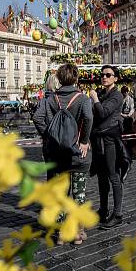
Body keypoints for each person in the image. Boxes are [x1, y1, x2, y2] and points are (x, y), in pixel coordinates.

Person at [33, 64, 93, 245]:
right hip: (77, 155)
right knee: (79, 195)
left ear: (59, 78)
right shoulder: (82, 99)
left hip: (57, 156)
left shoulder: (50, 99)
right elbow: (89, 118)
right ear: (76, 78)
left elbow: (37, 118)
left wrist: (50, 135)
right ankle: (77, 233)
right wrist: (83, 141)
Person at [89, 65, 125, 229]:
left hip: (110, 140)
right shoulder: (103, 94)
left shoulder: (116, 96)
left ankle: (117, 214)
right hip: (98, 140)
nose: (104, 77)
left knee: (113, 175)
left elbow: (103, 113)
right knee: (101, 177)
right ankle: (103, 210)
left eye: (108, 75)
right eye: (102, 75)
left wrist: (95, 99)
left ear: (115, 78)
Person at [120, 85, 136, 153]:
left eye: (126, 92)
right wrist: (122, 114)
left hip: (128, 119)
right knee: (122, 133)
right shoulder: (120, 99)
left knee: (129, 133)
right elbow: (118, 109)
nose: (125, 94)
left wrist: (129, 115)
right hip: (121, 118)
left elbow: (132, 108)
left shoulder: (130, 99)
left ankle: (129, 149)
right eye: (124, 92)